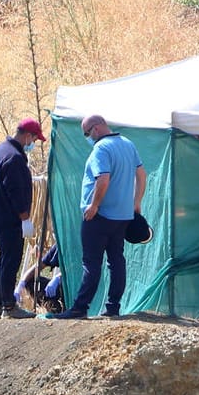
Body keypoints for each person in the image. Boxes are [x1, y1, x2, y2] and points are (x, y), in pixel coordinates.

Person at [49, 113, 145, 319]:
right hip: (122, 216)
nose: (87, 137)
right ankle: (113, 307)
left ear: (96, 128)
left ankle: (80, 308)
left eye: (86, 133)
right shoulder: (128, 144)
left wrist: (94, 205)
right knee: (117, 261)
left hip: (99, 216)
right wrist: (136, 202)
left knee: (91, 263)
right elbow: (141, 174)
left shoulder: (101, 148)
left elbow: (103, 179)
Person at [0, 118, 46, 319]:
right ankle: (9, 307)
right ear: (27, 135)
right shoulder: (14, 158)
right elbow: (16, 191)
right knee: (11, 260)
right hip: (11, 216)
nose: (33, 143)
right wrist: (25, 218)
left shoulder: (0, 150)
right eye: (34, 139)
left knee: (3, 259)